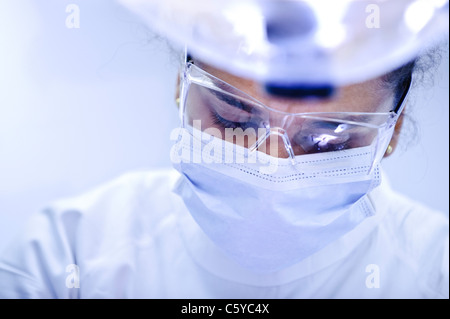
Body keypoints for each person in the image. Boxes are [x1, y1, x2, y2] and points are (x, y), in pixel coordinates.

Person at [0, 0, 448, 299]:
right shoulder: (69, 253)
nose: (270, 165)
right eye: (234, 119)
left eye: (326, 140)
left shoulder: (435, 275)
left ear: (392, 130)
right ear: (182, 84)